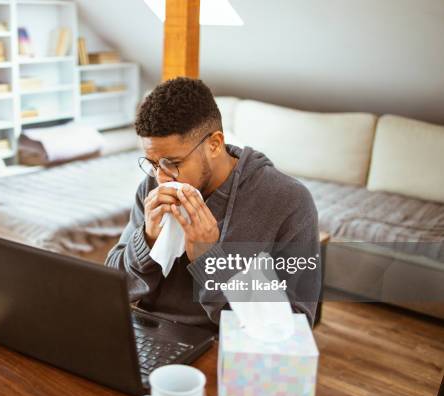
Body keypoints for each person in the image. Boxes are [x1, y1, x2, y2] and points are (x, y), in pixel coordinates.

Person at [105, 77, 320, 330]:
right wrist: (148, 240)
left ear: (215, 144)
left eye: (173, 163)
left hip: (226, 346)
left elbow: (295, 322)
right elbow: (113, 285)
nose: (161, 177)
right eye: (153, 164)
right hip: (149, 334)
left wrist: (210, 259)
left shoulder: (289, 201)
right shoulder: (153, 187)